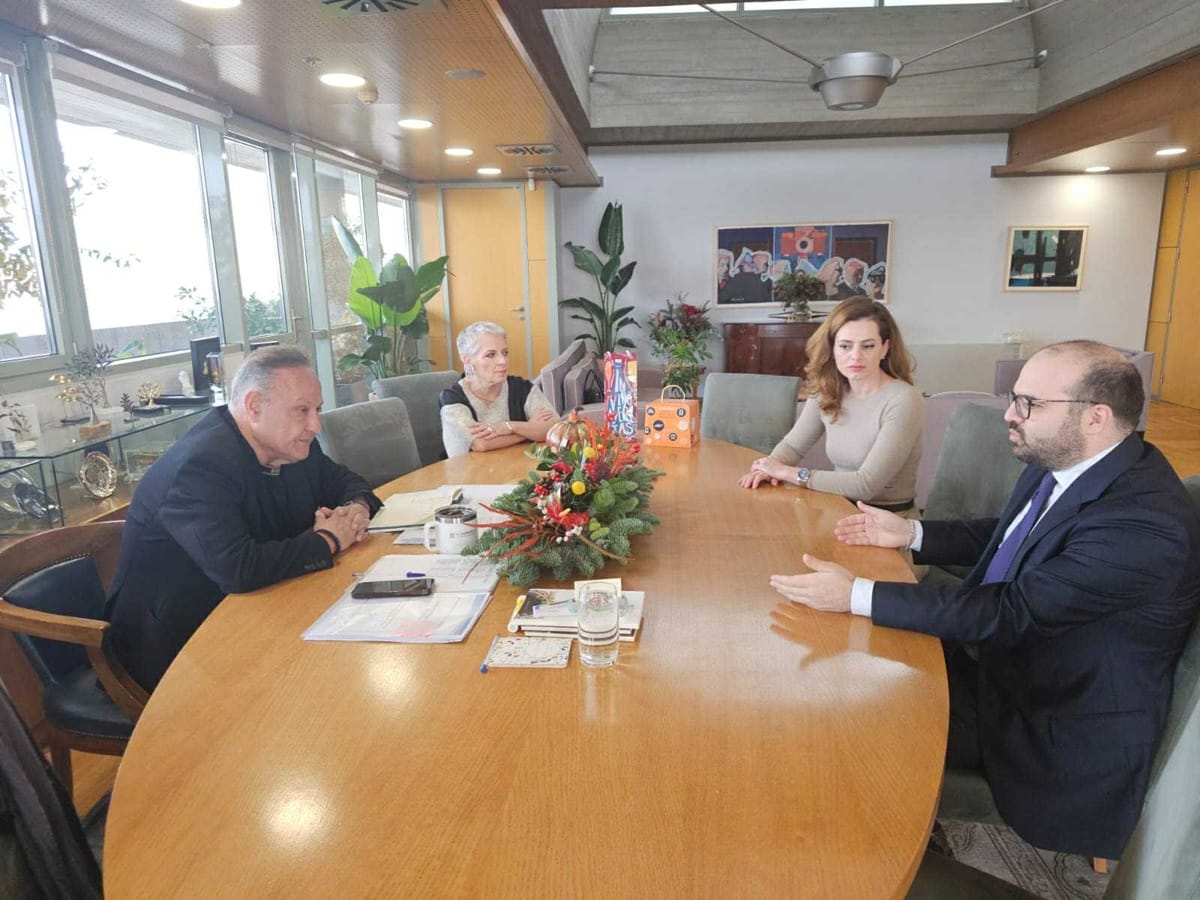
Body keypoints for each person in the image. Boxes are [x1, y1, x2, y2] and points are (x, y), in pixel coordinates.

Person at [770, 340, 1200, 859]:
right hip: (1001, 661)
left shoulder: (1142, 523)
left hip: (1045, 718)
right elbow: (1012, 534)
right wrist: (911, 534)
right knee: (842, 665)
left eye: (1029, 404)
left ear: (1096, 417)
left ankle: (860, 851)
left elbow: (1009, 611)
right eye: (1014, 399)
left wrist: (856, 593)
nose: (1010, 416)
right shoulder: (1072, 459)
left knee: (840, 720)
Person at [107, 346, 381, 691]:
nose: (315, 425)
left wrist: (355, 508)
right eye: (302, 410)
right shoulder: (200, 466)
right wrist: (329, 540)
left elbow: (347, 482)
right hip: (177, 649)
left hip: (261, 611)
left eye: (317, 409)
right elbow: (238, 568)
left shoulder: (290, 444)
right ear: (254, 406)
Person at [739, 297, 923, 515]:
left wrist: (786, 473)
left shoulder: (904, 399)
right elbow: (793, 446)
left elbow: (865, 485)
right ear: (832, 349)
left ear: (885, 349)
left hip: (888, 520)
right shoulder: (827, 390)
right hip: (837, 509)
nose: (856, 356)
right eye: (845, 346)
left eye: (868, 346)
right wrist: (768, 467)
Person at [439, 321, 556, 457]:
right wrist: (528, 429)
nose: (503, 361)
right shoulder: (452, 398)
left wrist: (509, 426)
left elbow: (555, 427)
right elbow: (481, 444)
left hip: (513, 466)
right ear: (468, 361)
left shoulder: (522, 388)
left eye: (505, 353)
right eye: (490, 355)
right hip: (468, 470)